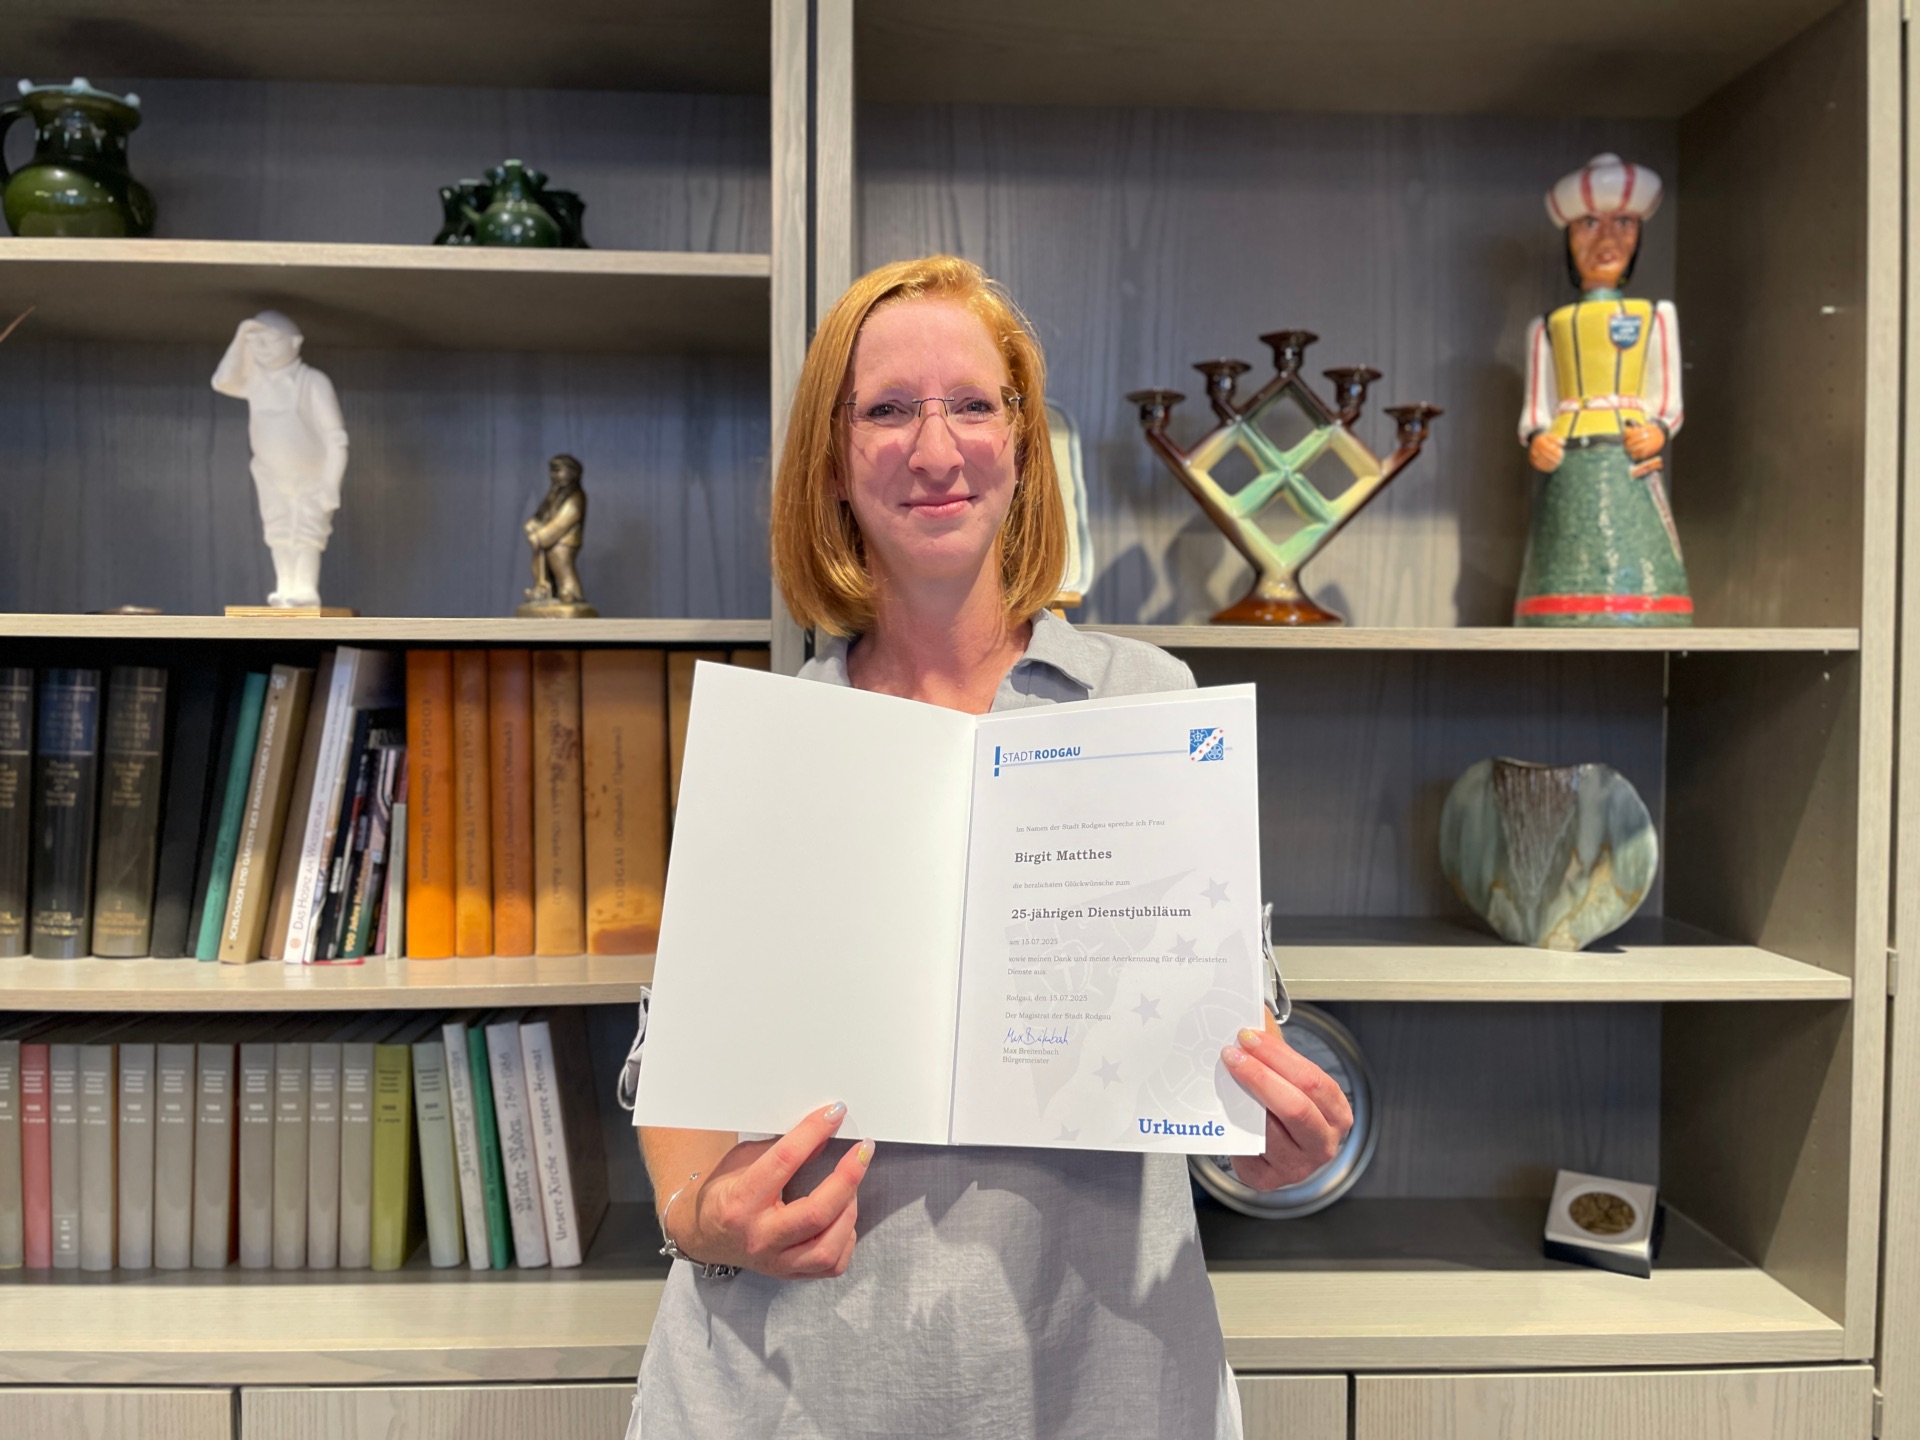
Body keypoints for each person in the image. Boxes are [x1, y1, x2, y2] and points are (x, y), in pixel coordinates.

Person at [629, 255, 1354, 1439]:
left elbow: (1224, 1043)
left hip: (1091, 1379)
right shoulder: (781, 740)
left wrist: (1269, 1139)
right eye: (887, 409)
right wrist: (702, 1219)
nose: (935, 447)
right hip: (794, 1386)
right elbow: (681, 1057)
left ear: (1023, 442)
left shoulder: (1144, 704)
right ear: (832, 459)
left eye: (973, 403)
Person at [1515, 153, 1690, 626]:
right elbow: (1536, 408)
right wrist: (1538, 440)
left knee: (1642, 596)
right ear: (1569, 236)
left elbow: (1669, 398)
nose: (1607, 239)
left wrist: (1659, 429)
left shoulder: (1655, 316)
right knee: (1557, 591)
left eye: (1625, 223)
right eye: (1589, 223)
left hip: (1628, 459)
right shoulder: (1549, 327)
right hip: (1569, 461)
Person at [210, 310, 348, 608]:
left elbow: (336, 438)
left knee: (308, 533)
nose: (262, 348)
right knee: (278, 532)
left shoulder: (312, 381)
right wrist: (241, 337)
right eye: (255, 342)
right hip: (270, 474)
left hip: (312, 475)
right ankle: (285, 588)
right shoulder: (255, 383)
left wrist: (330, 482)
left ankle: (306, 588)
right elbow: (222, 381)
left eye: (270, 340)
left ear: (295, 342)